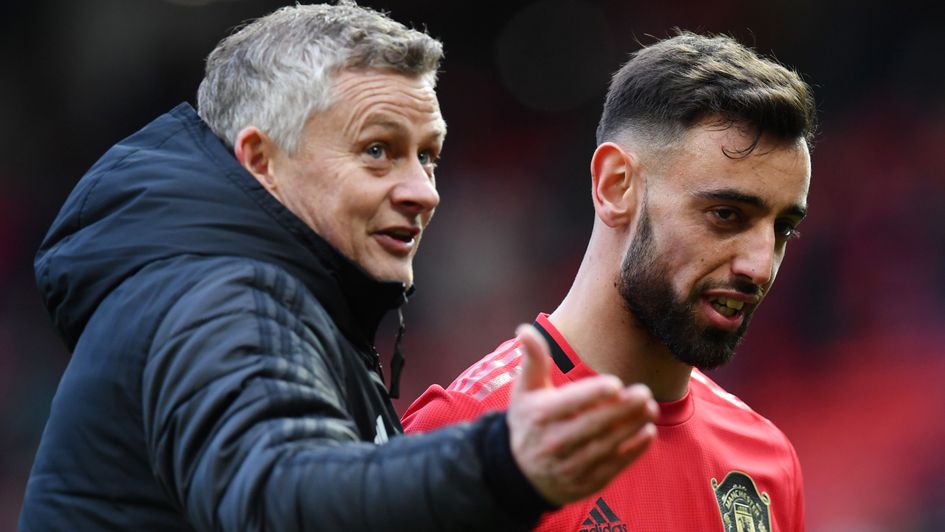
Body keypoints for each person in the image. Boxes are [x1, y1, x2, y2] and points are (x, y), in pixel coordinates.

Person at [19, 3, 661, 531]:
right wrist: (498, 464)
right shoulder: (222, 297)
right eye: (378, 150)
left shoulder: (279, 300)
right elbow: (278, 491)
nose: (424, 191)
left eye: (428, 156)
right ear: (261, 161)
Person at [403, 30, 816, 531]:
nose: (759, 266)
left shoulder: (766, 464)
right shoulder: (464, 436)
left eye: (782, 229)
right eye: (726, 214)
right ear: (616, 186)